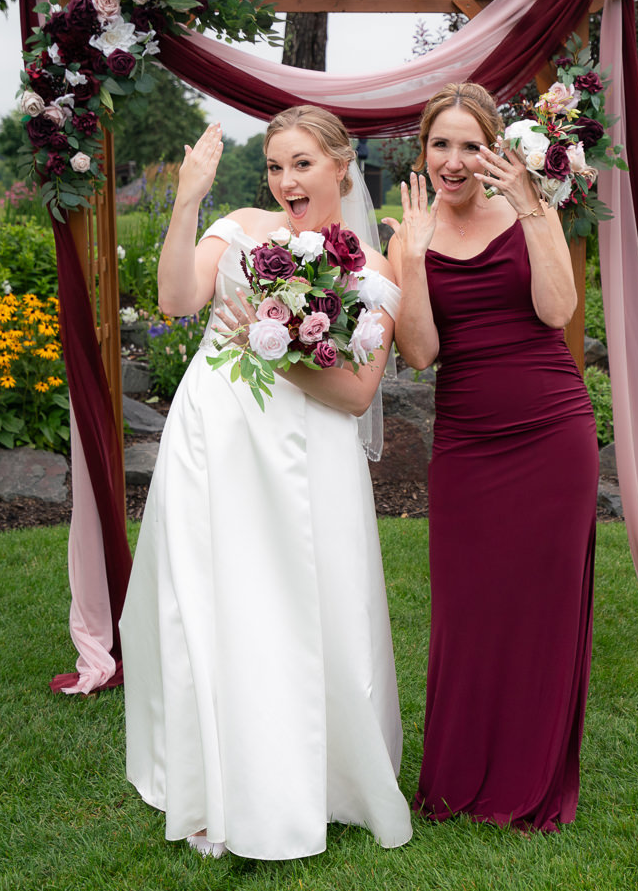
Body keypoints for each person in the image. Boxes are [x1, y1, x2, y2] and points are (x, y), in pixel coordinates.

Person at [120, 107, 413, 860]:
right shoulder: (241, 227)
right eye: (276, 166)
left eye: (303, 163)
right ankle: (211, 782)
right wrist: (188, 199)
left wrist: (267, 342)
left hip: (310, 454)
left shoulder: (375, 272)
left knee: (307, 607)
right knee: (212, 604)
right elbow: (178, 300)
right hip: (215, 441)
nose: (286, 181)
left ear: (341, 166)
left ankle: (316, 779)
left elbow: (356, 395)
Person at [386, 83, 599, 831]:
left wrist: (534, 208)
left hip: (552, 432)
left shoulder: (527, 208)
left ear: (495, 150)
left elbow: (557, 310)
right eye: (439, 145)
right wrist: (414, 260)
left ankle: (530, 777)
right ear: (423, 151)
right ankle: (458, 779)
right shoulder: (408, 232)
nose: (453, 161)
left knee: (543, 610)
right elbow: (420, 353)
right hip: (467, 441)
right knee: (467, 610)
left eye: (469, 146)